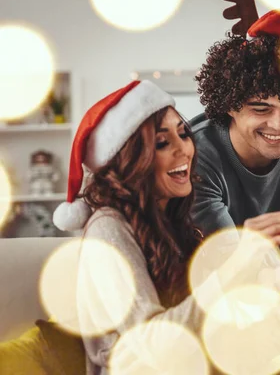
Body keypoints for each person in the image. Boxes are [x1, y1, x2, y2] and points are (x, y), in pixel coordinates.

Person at [52, 80, 207, 374]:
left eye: (183, 134)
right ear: (131, 159)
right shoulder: (107, 230)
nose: (184, 149)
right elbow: (150, 343)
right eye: (162, 142)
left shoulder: (170, 222)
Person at [191, 10, 280, 243]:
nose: (279, 125)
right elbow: (222, 256)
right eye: (261, 109)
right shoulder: (195, 157)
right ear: (230, 105)